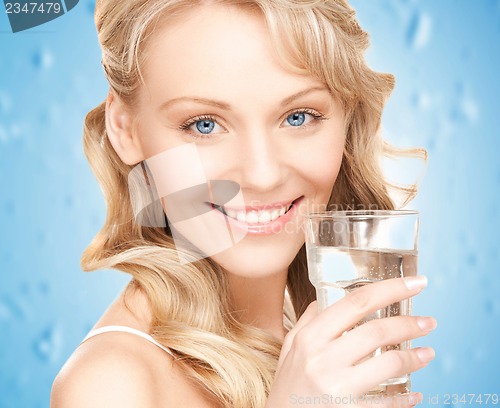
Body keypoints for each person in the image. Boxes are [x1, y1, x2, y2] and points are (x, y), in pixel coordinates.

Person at [50, 0, 434, 407]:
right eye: (205, 124)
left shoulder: (312, 339)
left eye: (299, 117)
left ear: (346, 117)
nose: (262, 174)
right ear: (126, 129)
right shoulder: (111, 386)